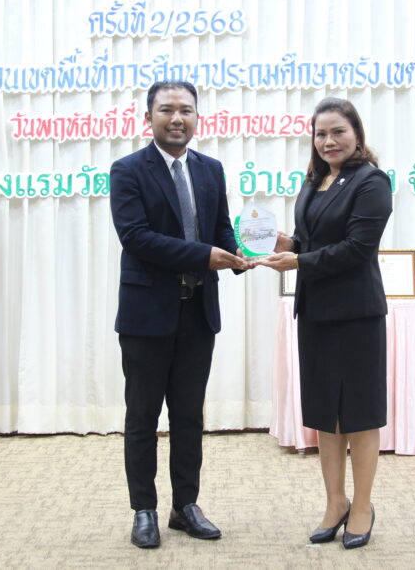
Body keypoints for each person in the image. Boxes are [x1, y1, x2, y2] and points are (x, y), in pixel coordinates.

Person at [109, 81, 250, 549]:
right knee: (143, 416)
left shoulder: (211, 169)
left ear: (196, 117)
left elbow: (221, 229)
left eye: (186, 110)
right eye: (166, 110)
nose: (177, 118)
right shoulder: (128, 170)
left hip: (198, 313)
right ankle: (143, 509)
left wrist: (241, 254)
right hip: (147, 315)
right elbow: (136, 237)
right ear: (148, 117)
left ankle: (185, 506)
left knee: (189, 416)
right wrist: (204, 256)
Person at [261, 97, 392, 550]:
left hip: (356, 315)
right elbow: (312, 241)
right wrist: (288, 244)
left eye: (338, 131)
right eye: (321, 133)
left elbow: (358, 249)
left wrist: (300, 260)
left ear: (356, 133)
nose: (329, 141)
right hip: (315, 312)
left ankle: (363, 506)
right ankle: (335, 502)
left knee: (359, 414)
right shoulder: (314, 181)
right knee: (325, 415)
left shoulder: (372, 181)